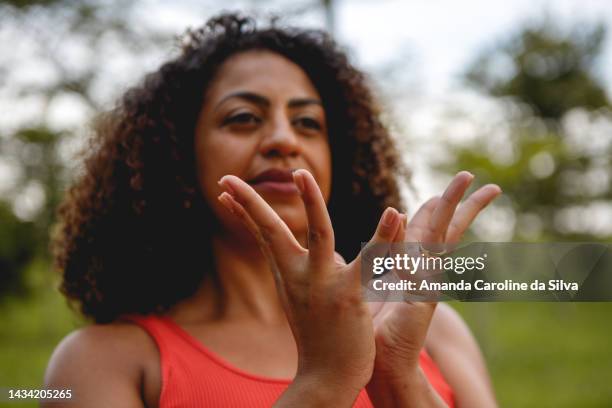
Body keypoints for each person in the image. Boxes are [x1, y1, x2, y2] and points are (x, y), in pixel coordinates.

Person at [44, 13, 501, 407]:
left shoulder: (431, 328)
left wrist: (397, 374)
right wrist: (326, 381)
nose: (284, 139)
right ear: (178, 154)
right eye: (243, 118)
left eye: (308, 123)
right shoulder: (102, 362)